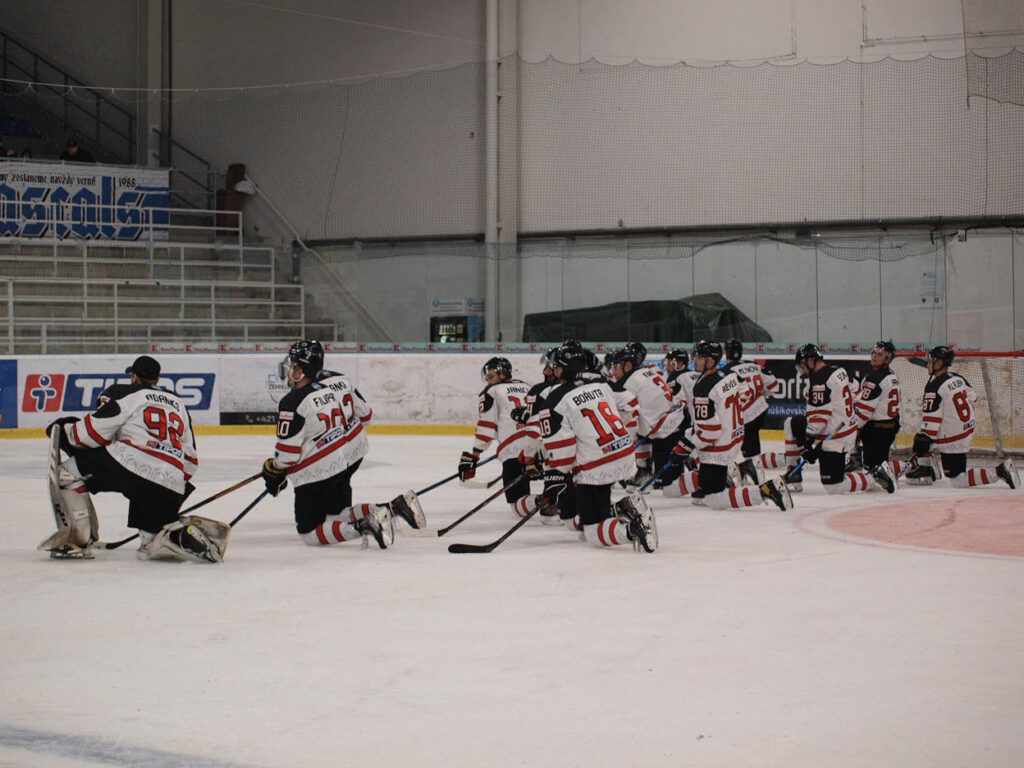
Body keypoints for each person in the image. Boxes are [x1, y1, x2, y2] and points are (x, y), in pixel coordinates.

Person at [40, 355, 222, 562]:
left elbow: (90, 435)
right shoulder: (178, 403)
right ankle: (176, 536)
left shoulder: (123, 393)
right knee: (150, 545)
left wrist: (65, 431)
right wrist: (173, 483)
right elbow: (190, 460)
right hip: (171, 477)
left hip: (130, 463)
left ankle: (77, 540)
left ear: (134, 376)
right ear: (157, 378)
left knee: (67, 473)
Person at [260, 340, 424, 548]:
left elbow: (288, 456)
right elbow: (366, 416)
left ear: (301, 370)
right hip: (352, 454)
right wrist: (338, 436)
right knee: (335, 515)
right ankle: (394, 508)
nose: (288, 369)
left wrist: (274, 469)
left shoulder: (292, 402)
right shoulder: (338, 379)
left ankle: (365, 526)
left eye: (293, 365)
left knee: (309, 532)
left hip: (320, 469)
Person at [522, 344, 657, 552]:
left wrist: (556, 474)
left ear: (561, 369)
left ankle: (633, 529)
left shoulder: (554, 400)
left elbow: (563, 451)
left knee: (590, 532)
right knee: (588, 517)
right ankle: (622, 508)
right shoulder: (601, 384)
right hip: (623, 454)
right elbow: (630, 405)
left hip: (595, 465)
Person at [663, 340, 792, 511]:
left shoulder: (703, 387)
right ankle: (735, 473)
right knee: (704, 488)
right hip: (733, 438)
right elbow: (746, 393)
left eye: (699, 357)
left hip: (717, 448)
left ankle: (765, 491)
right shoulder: (730, 376)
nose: (694, 360)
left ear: (710, 360)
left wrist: (686, 447)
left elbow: (709, 433)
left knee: (714, 499)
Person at [789, 344, 896, 494]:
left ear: (811, 361)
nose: (803, 370)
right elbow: (856, 389)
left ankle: (874, 476)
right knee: (792, 423)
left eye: (802, 365)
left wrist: (807, 444)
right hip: (847, 430)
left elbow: (819, 420)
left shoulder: (819, 380)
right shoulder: (838, 371)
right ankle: (794, 472)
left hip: (836, 438)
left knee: (833, 486)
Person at [909, 346, 1018, 489]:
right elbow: (973, 396)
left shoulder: (934, 387)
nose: (927, 364)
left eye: (930, 361)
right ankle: (927, 467)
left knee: (957, 479)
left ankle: (998, 472)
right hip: (967, 429)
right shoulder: (956, 377)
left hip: (953, 438)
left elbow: (931, 423)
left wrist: (922, 444)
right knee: (921, 427)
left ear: (939, 363)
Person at [457, 357, 542, 518]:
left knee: (517, 505)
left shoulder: (491, 392)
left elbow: (486, 427)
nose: (488, 381)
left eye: (491, 377)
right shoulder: (527, 387)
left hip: (514, 452)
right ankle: (555, 501)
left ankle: (541, 500)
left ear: (502, 374)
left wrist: (475, 455)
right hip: (539, 446)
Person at [608, 342, 684, 485]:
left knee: (622, 423)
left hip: (661, 428)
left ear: (628, 366)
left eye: (616, 367)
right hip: (675, 420)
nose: (614, 372)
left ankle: (638, 468)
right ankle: (645, 467)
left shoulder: (627, 383)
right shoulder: (648, 371)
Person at [721, 339, 778, 486]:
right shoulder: (753, 365)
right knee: (751, 443)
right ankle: (750, 473)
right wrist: (760, 393)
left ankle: (753, 477)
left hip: (745, 415)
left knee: (736, 444)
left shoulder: (726, 371)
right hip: (761, 410)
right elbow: (774, 385)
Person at [850, 341, 901, 481]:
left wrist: (851, 427)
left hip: (877, 432)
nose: (874, 356)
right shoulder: (891, 375)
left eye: (880, 354)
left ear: (888, 359)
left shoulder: (874, 378)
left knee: (873, 472)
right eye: (874, 353)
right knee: (880, 465)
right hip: (890, 427)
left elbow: (863, 414)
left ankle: (914, 464)